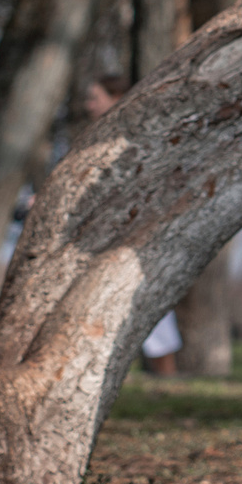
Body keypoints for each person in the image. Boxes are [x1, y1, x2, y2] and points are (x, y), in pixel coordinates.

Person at [83, 75, 182, 375]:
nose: (88, 106)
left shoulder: (133, 137)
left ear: (116, 98)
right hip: (112, 235)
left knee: (152, 311)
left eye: (95, 97)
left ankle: (166, 377)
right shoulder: (98, 137)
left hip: (136, 234)